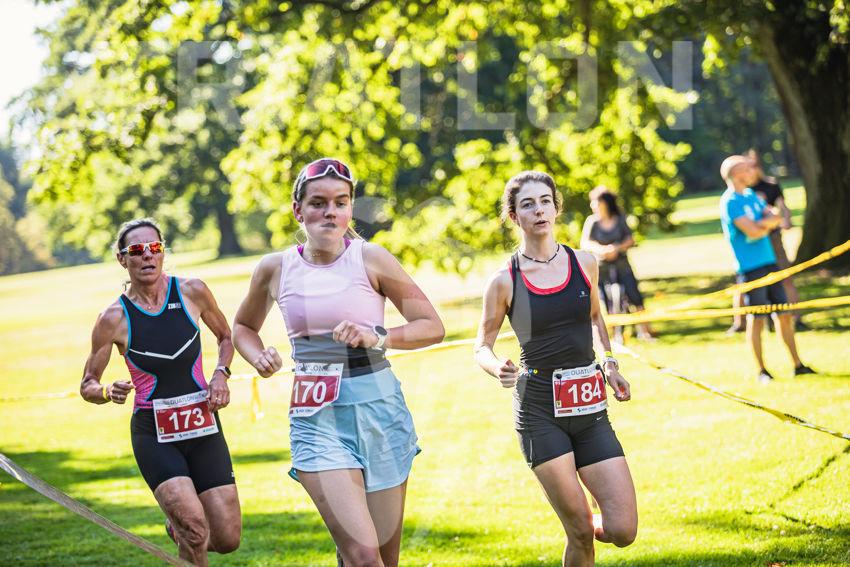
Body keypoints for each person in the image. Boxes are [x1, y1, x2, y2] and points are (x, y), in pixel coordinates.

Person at [232, 158, 444, 567]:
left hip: (380, 414)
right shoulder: (275, 267)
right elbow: (243, 326)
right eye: (318, 203)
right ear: (298, 210)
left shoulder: (372, 258)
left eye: (340, 202)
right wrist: (258, 355)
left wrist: (378, 337)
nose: (330, 212)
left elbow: (432, 326)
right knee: (364, 556)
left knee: (384, 557)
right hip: (317, 421)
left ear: (350, 208)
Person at [475, 171, 637, 566]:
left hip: (590, 409)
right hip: (539, 413)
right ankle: (577, 518)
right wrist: (497, 367)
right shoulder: (505, 280)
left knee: (622, 530)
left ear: (556, 207)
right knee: (580, 532)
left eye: (545, 201)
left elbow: (596, 318)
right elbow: (482, 345)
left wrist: (609, 364)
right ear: (514, 216)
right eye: (527, 204)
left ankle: (581, 513)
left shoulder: (584, 262)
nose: (539, 210)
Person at [80, 219, 241, 566]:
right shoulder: (113, 318)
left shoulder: (192, 291)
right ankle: (185, 526)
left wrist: (221, 375)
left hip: (202, 424)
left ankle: (177, 526)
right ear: (122, 259)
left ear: (163, 252)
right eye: (137, 250)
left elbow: (226, 337)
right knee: (195, 530)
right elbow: (87, 384)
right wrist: (107, 390)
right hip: (153, 434)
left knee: (227, 538)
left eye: (154, 248)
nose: (147, 256)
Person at [718, 156, 815, 382]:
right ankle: (762, 371)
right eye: (746, 168)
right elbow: (751, 231)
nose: (752, 171)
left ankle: (797, 365)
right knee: (757, 319)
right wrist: (764, 226)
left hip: (770, 262)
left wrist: (762, 224)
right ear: (736, 174)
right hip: (750, 269)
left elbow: (776, 217)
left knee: (784, 315)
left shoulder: (751, 195)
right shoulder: (730, 201)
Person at [580, 187, 654, 341]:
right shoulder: (592, 222)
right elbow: (585, 243)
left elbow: (630, 239)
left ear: (605, 203)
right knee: (608, 301)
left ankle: (646, 331)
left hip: (622, 265)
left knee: (635, 296)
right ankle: (614, 336)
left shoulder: (620, 219)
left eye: (595, 202)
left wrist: (616, 248)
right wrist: (602, 250)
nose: (593, 205)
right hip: (602, 268)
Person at [748, 149, 806, 330]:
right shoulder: (744, 193)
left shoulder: (770, 185)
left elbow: (782, 208)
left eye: (753, 166)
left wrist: (785, 220)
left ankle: (796, 318)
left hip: (773, 239)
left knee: (785, 277)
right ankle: (748, 322)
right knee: (752, 283)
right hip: (754, 243)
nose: (751, 171)